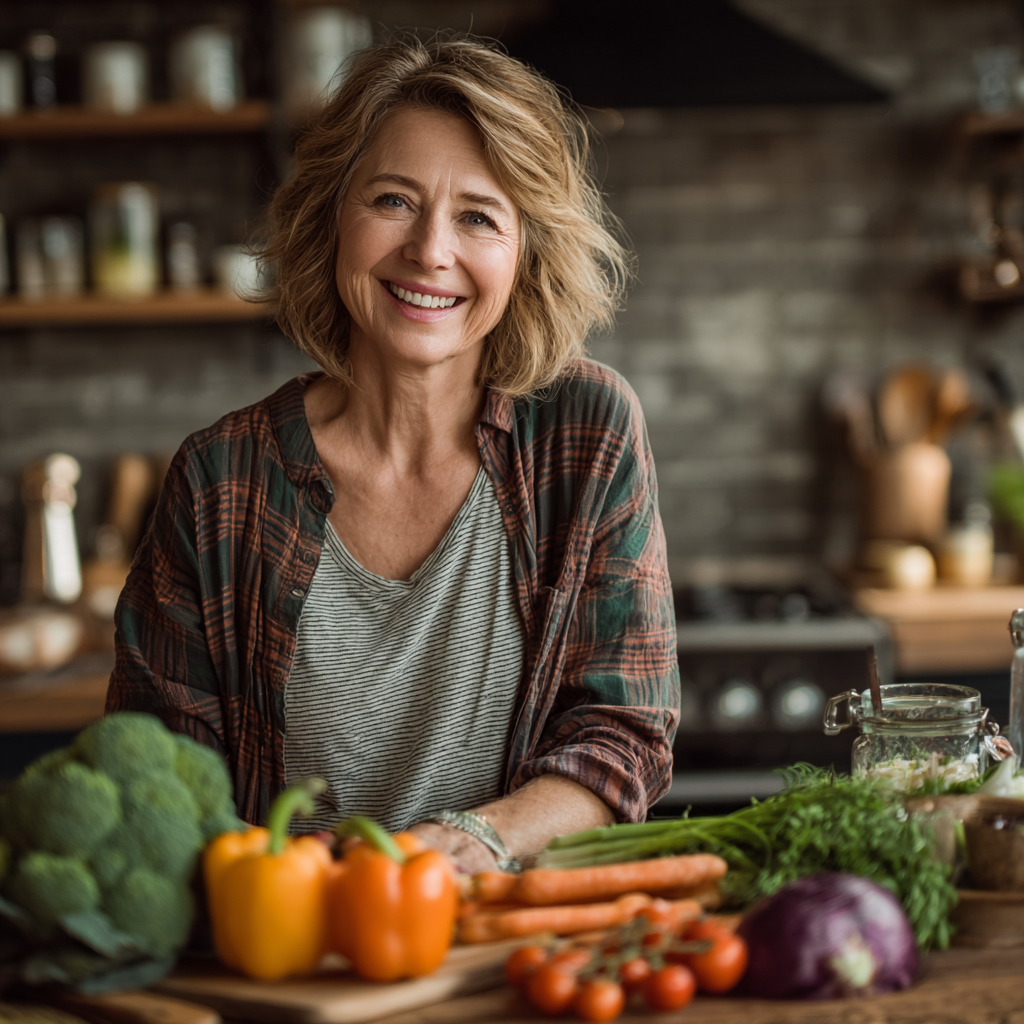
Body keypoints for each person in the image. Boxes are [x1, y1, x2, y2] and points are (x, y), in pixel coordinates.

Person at [106, 35, 680, 873]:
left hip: (507, 953)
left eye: (479, 217)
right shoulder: (220, 476)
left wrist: (478, 842)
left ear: (526, 254)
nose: (431, 251)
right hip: (290, 951)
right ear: (332, 216)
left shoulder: (586, 431)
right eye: (393, 201)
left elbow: (622, 732)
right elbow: (159, 776)